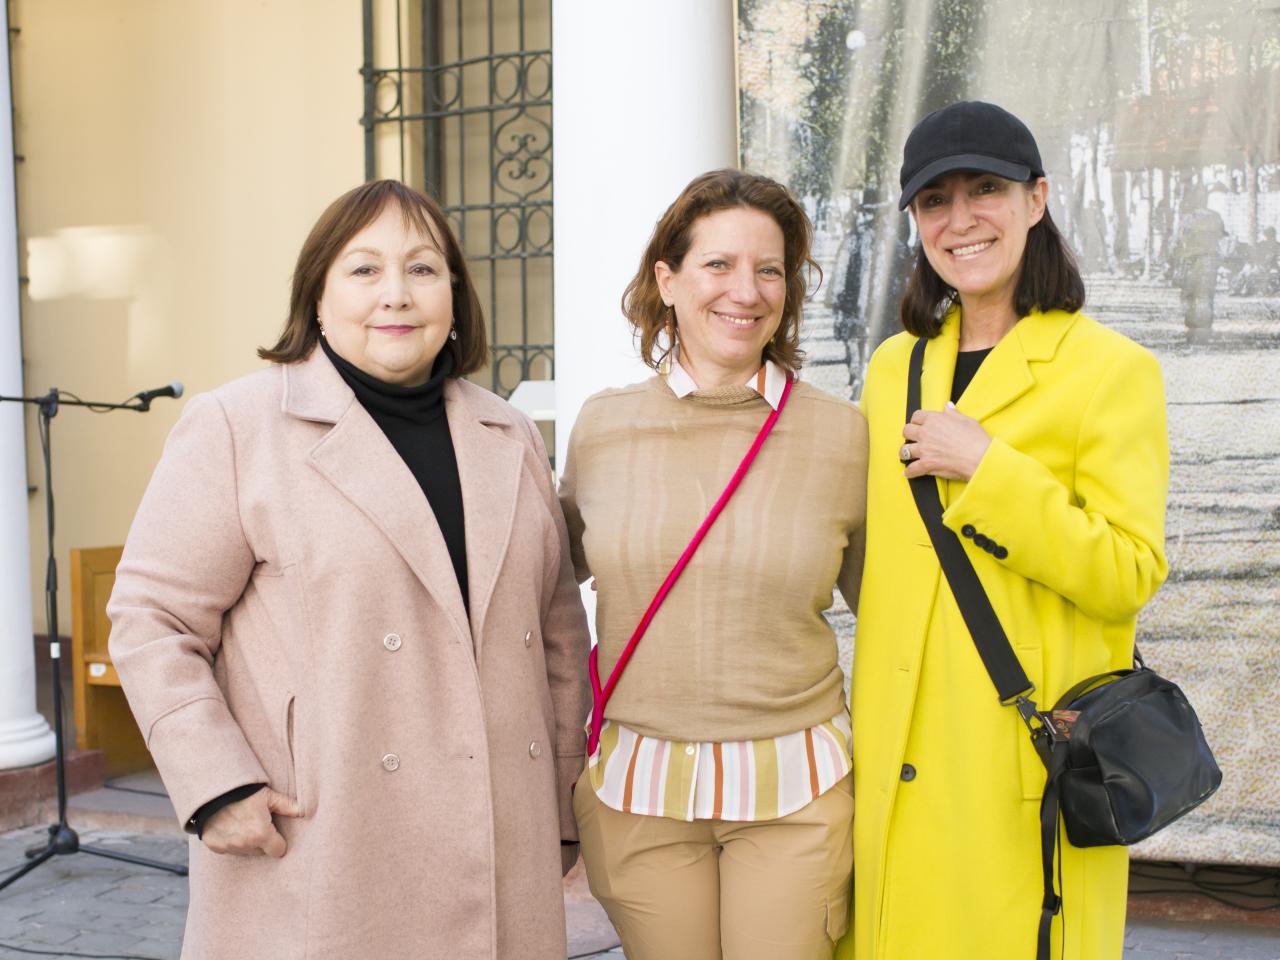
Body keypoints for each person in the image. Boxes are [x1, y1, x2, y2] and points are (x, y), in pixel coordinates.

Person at [107, 180, 590, 959]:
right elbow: (151, 618)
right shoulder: (239, 426)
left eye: (423, 269)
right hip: (324, 843)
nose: (396, 295)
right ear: (318, 296)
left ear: (456, 296)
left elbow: (559, 634)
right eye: (364, 270)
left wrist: (561, 803)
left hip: (502, 836)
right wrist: (216, 784)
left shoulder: (510, 434)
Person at [840, 102, 1168, 960]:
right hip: (894, 767)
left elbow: (1127, 572)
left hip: (1020, 773)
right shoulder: (893, 368)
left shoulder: (1111, 372)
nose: (961, 220)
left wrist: (991, 471)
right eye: (934, 201)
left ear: (1037, 200)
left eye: (986, 189)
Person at [559, 169, 868, 960]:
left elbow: (893, 613)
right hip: (638, 790)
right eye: (718, 265)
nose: (747, 290)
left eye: (770, 269)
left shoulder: (845, 437)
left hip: (796, 786)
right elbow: (539, 598)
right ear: (667, 280)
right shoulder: (601, 428)